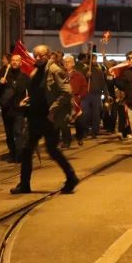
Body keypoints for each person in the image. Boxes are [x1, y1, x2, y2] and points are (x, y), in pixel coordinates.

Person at [11, 44, 79, 194]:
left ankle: (71, 177)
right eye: (35, 55)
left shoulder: (54, 70)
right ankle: (25, 184)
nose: (37, 58)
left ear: (48, 55)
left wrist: (53, 109)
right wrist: (28, 101)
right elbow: (39, 92)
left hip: (48, 118)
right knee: (28, 150)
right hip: (36, 116)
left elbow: (66, 92)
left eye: (41, 55)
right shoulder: (36, 70)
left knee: (51, 150)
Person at [0, 54, 29, 162]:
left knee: (18, 132)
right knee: (9, 134)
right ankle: (12, 153)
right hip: (7, 109)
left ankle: (19, 156)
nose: (14, 62)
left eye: (17, 60)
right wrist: (0, 83)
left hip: (19, 110)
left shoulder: (24, 77)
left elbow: (32, 92)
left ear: (20, 63)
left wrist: (25, 102)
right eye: (13, 60)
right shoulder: (4, 76)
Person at [62, 55, 87, 147]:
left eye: (68, 61)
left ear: (73, 63)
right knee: (64, 123)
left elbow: (84, 87)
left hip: (76, 101)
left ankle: (79, 137)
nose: (66, 63)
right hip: (63, 101)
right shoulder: (60, 74)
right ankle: (66, 141)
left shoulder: (79, 75)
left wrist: (80, 96)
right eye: (64, 62)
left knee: (79, 122)